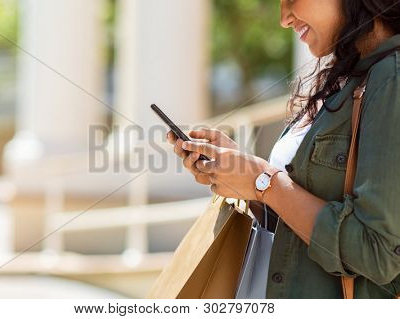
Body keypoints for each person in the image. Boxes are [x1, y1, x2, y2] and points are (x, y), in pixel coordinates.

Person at [167, 0, 400, 298]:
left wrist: (262, 181)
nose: (283, 18)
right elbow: (300, 211)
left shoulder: (391, 79)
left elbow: (378, 254)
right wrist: (242, 178)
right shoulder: (349, 78)